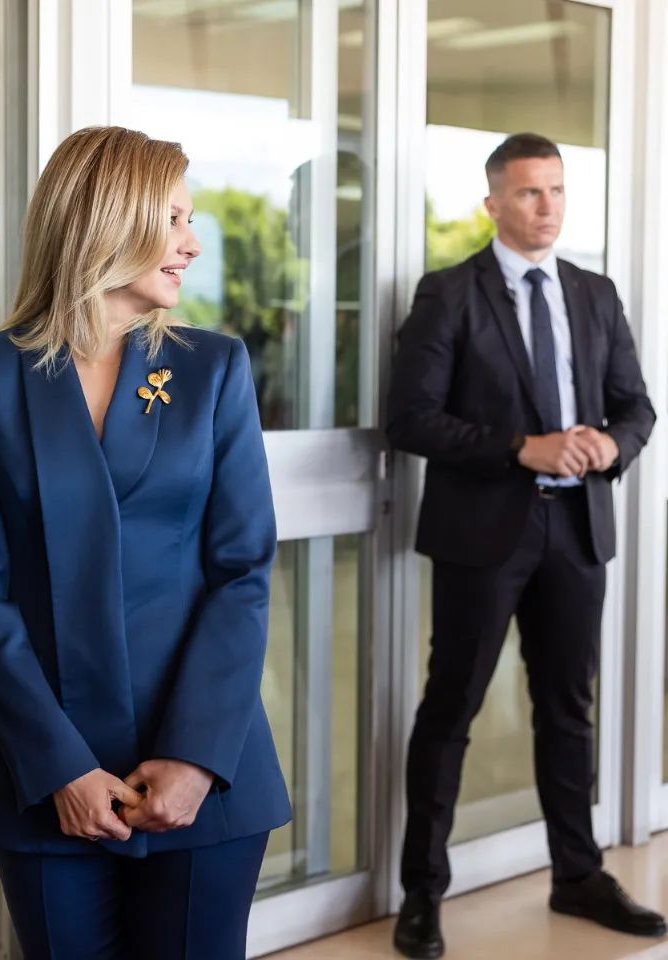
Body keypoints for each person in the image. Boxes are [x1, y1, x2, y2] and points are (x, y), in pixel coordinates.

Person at [0, 126, 291, 959]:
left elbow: (242, 572)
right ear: (105, 219)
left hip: (206, 770)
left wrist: (194, 757)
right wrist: (58, 765)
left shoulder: (212, 368)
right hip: (45, 772)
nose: (192, 243)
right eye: (173, 219)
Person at [388, 133, 659, 959]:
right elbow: (411, 419)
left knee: (568, 709)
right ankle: (422, 895)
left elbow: (636, 408)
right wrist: (521, 449)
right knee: (452, 709)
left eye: (558, 190)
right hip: (484, 535)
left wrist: (610, 445)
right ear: (493, 203)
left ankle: (577, 874)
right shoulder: (448, 295)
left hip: (577, 530)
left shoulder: (595, 293)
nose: (548, 206)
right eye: (530, 192)